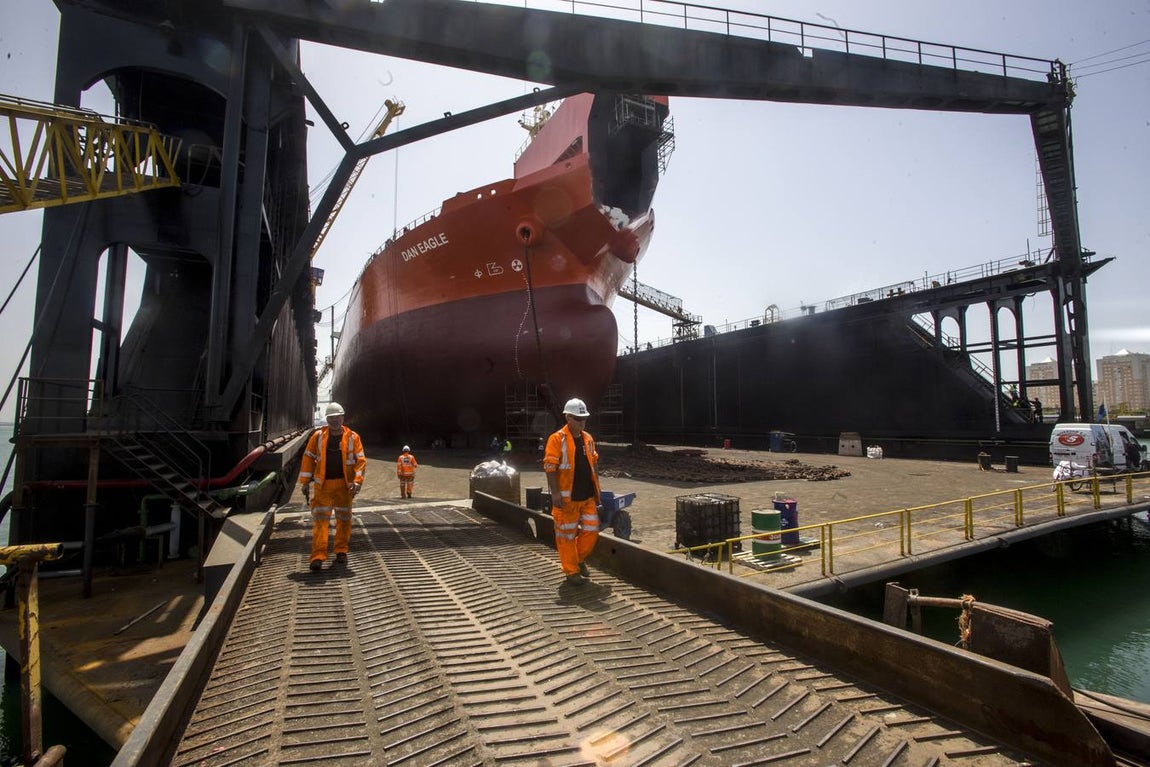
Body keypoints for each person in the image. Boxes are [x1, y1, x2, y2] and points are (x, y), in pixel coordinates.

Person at [298, 402, 366, 571]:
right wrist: (305, 482)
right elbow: (308, 458)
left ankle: (341, 550)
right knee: (321, 522)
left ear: (343, 418)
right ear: (327, 419)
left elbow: (361, 462)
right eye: (331, 418)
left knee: (344, 520)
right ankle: (318, 556)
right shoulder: (318, 436)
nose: (335, 421)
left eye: (338, 417)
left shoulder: (353, 437)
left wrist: (357, 482)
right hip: (323, 486)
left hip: (344, 486)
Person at [543, 398, 602, 586]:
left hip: (587, 496)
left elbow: (594, 462)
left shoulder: (588, 438)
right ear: (568, 418)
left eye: (584, 418)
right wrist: (555, 494)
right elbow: (550, 467)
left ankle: (577, 559)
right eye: (578, 418)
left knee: (592, 531)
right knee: (566, 537)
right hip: (567, 500)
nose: (582, 422)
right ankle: (571, 571)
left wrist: (597, 489)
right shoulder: (556, 439)